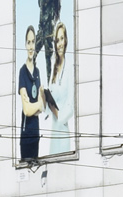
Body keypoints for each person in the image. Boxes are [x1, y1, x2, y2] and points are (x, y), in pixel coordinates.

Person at [43, 21, 74, 157]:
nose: (60, 43)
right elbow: (49, 106)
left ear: (66, 40)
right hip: (53, 131)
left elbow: (70, 106)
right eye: (57, 41)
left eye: (62, 39)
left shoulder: (70, 68)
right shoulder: (54, 68)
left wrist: (56, 112)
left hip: (63, 130)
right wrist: (43, 97)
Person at [18, 26, 43, 160]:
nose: (31, 46)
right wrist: (38, 105)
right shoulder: (22, 72)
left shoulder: (38, 72)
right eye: (29, 42)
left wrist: (38, 105)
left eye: (33, 42)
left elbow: (42, 107)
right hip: (26, 134)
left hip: (36, 132)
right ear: (25, 44)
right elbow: (27, 110)